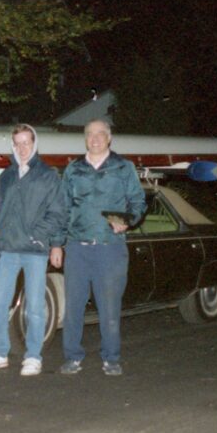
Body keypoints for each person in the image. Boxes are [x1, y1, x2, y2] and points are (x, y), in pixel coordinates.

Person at [50, 119, 146, 377]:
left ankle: (111, 358)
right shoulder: (73, 169)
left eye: (100, 134)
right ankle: (72, 357)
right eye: (90, 134)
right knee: (73, 308)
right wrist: (57, 243)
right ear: (85, 139)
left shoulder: (123, 167)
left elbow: (138, 201)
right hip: (77, 249)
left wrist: (128, 221)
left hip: (110, 248)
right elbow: (62, 208)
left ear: (109, 137)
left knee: (109, 307)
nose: (95, 138)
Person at [0, 124, 67, 376]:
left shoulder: (48, 175)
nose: (22, 148)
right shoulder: (6, 176)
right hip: (8, 248)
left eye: (26, 143)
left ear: (35, 144)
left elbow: (58, 212)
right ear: (12, 145)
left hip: (34, 250)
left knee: (34, 306)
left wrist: (53, 241)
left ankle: (33, 356)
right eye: (17, 143)